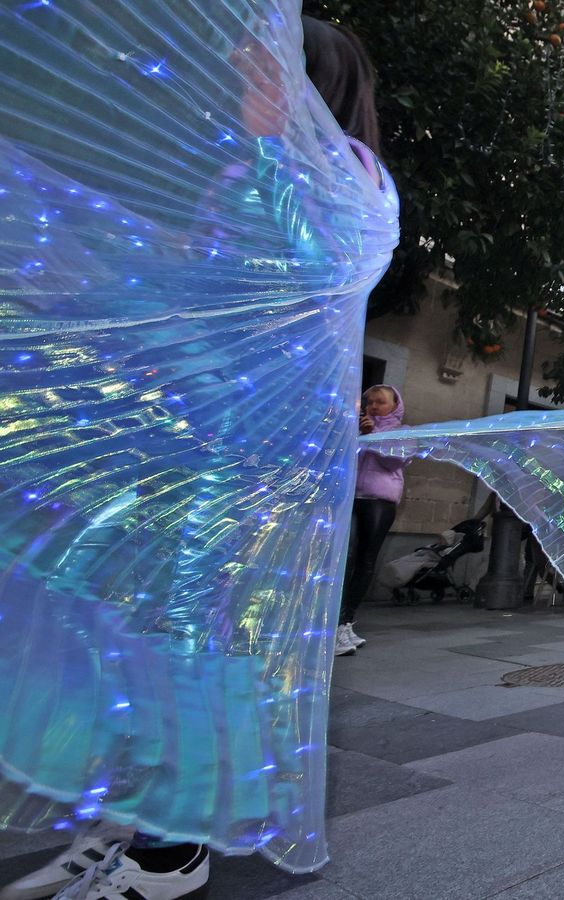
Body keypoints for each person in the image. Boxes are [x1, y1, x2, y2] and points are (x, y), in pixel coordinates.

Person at [1, 14, 395, 900]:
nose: (248, 91)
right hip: (184, 422)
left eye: (270, 77)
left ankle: (170, 850)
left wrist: (269, 152)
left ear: (312, 92)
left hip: (252, 448)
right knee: (120, 607)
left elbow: (329, 264)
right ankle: (134, 820)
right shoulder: (239, 167)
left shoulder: (359, 180)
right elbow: (204, 279)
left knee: (188, 628)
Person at [337, 384, 407, 655]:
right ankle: (337, 623)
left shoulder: (402, 433)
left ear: (395, 406)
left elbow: (394, 462)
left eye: (381, 402)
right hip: (350, 499)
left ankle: (345, 622)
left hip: (379, 502)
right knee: (347, 557)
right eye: (370, 402)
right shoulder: (354, 429)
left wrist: (373, 435)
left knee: (365, 560)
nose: (375, 407)